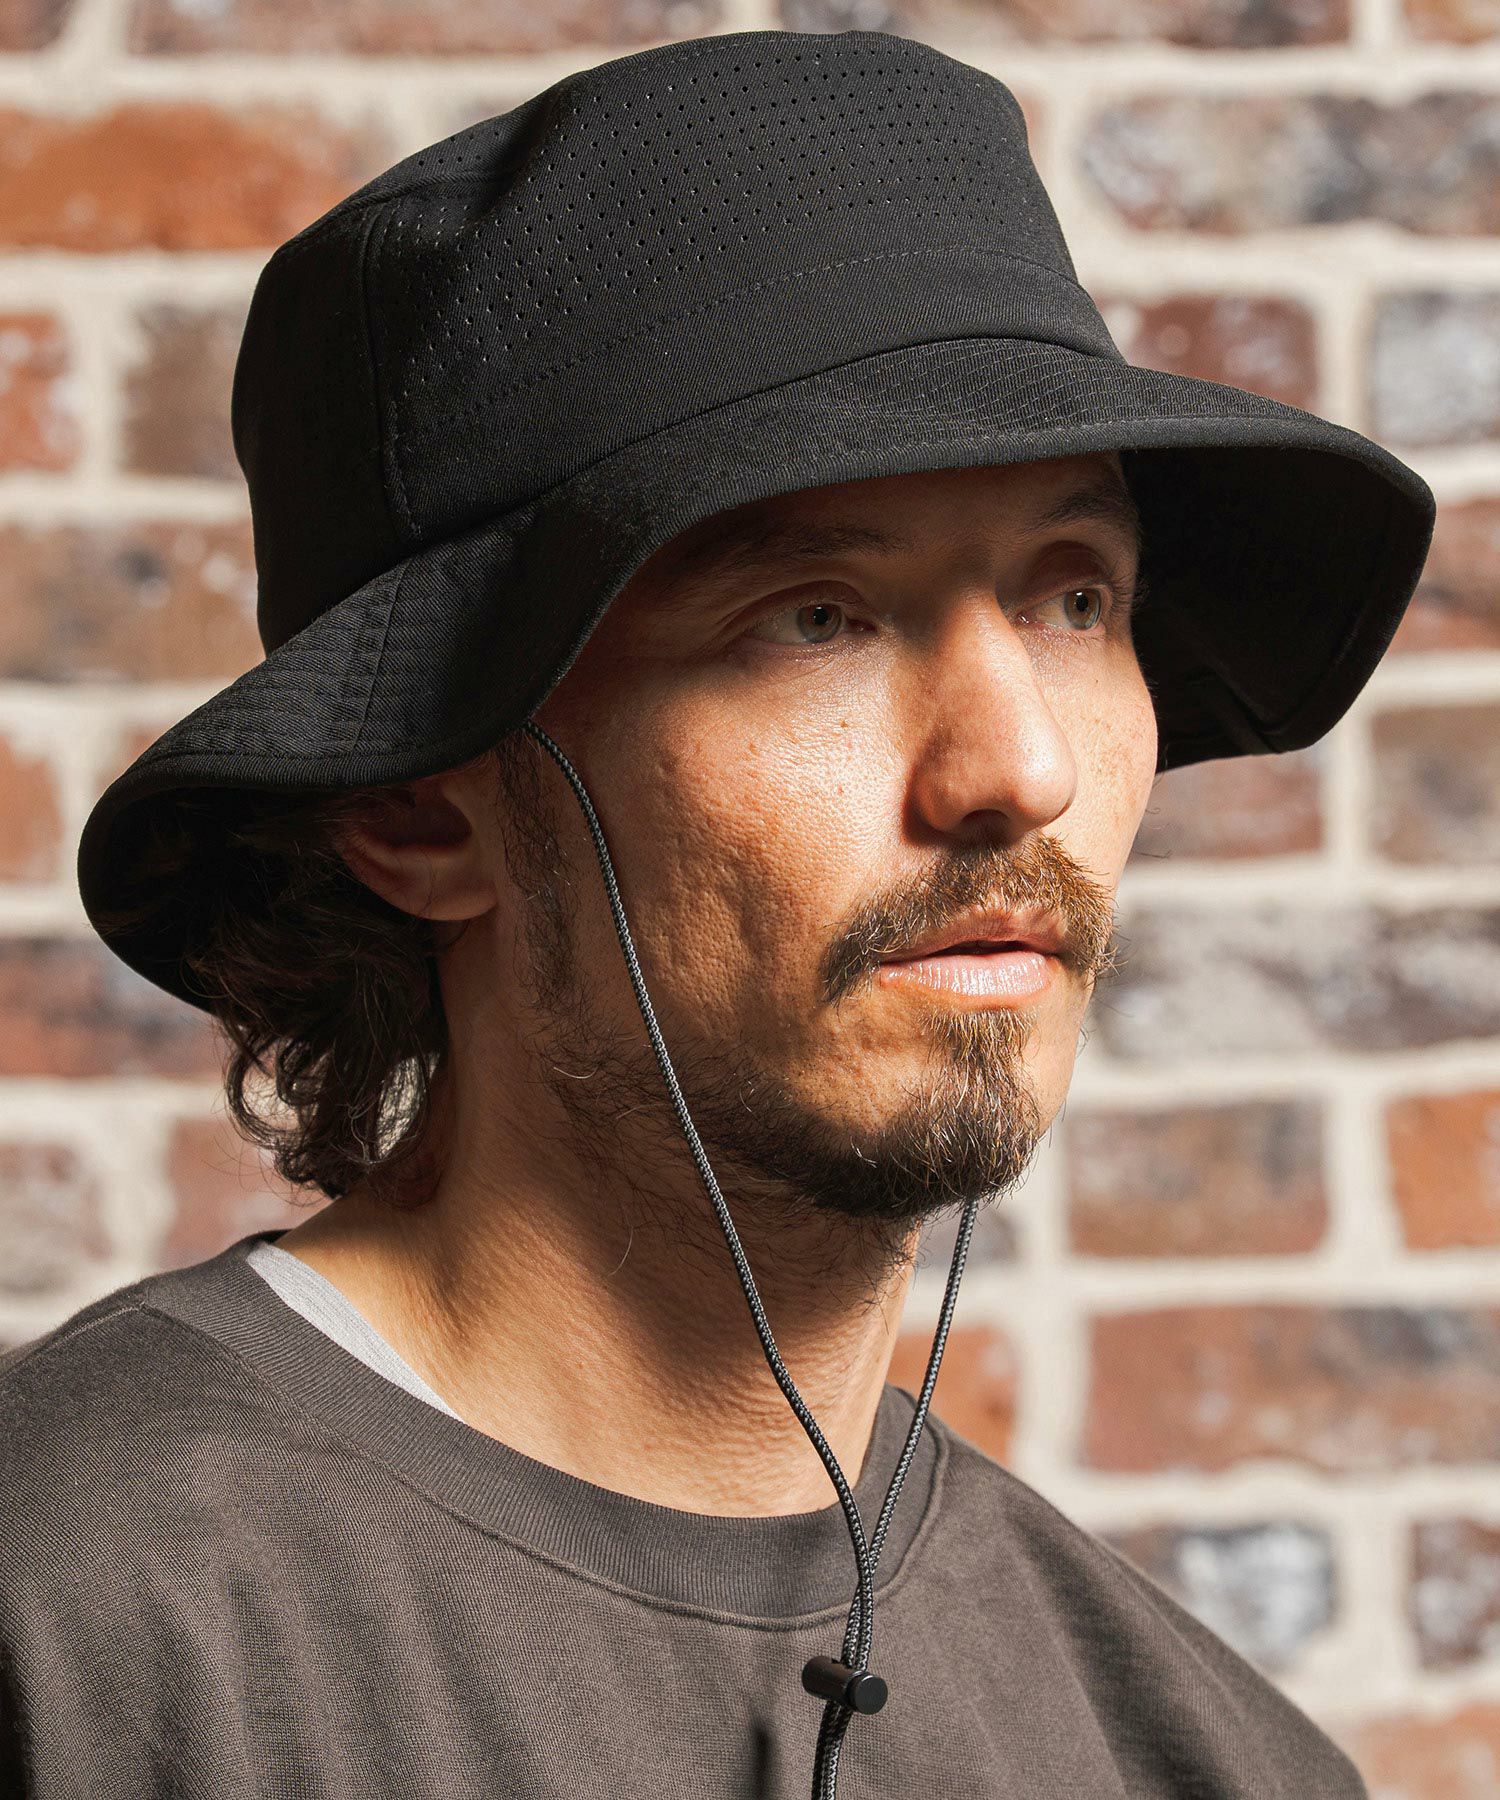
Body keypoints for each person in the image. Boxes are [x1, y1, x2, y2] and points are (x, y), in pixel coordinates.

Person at [1, 26, 1433, 1800]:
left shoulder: (1209, 1758)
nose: (1020, 768)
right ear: (417, 808)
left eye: (1074, 597)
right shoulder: (72, 1626)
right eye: (815, 617)